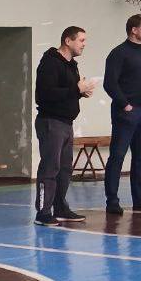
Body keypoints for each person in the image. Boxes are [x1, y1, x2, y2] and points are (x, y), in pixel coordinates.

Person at [103, 14, 141, 215]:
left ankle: (140, 199)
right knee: (118, 156)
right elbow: (110, 83)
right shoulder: (118, 53)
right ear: (134, 30)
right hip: (127, 113)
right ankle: (112, 200)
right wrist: (125, 105)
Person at [33, 26, 95, 226]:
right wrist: (76, 89)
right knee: (50, 167)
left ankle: (60, 207)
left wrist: (81, 92)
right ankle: (43, 212)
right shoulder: (50, 63)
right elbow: (45, 94)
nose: (84, 44)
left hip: (67, 123)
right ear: (68, 41)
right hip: (51, 122)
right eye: (81, 40)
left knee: (65, 168)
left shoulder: (72, 65)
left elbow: (68, 92)